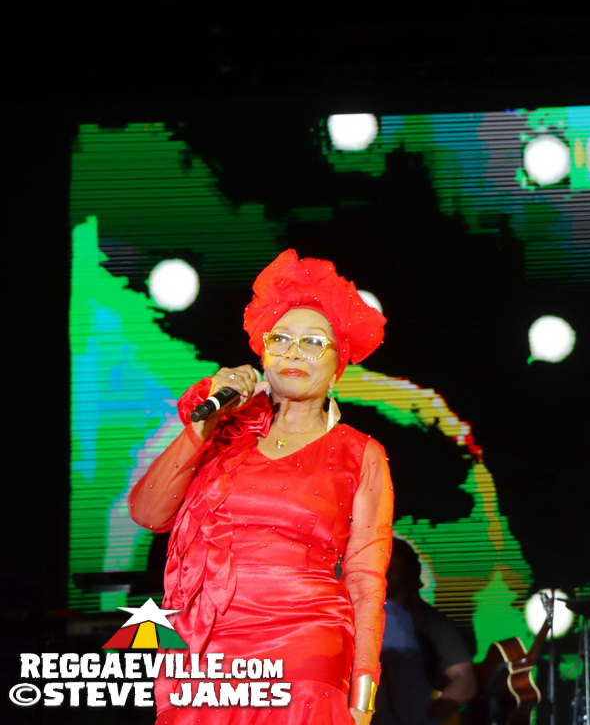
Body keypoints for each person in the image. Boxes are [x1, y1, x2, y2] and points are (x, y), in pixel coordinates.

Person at [130, 249, 393, 724]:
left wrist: (361, 698)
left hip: (304, 643)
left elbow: (365, 579)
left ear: (339, 362)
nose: (294, 351)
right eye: (282, 338)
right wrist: (204, 425)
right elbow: (150, 514)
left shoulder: (360, 453)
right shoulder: (223, 434)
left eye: (314, 341)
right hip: (205, 645)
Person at [380, 538, 476, 725]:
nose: (387, 569)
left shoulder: (435, 624)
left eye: (393, 563)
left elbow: (465, 679)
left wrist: (427, 716)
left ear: (409, 570)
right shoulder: (362, 618)